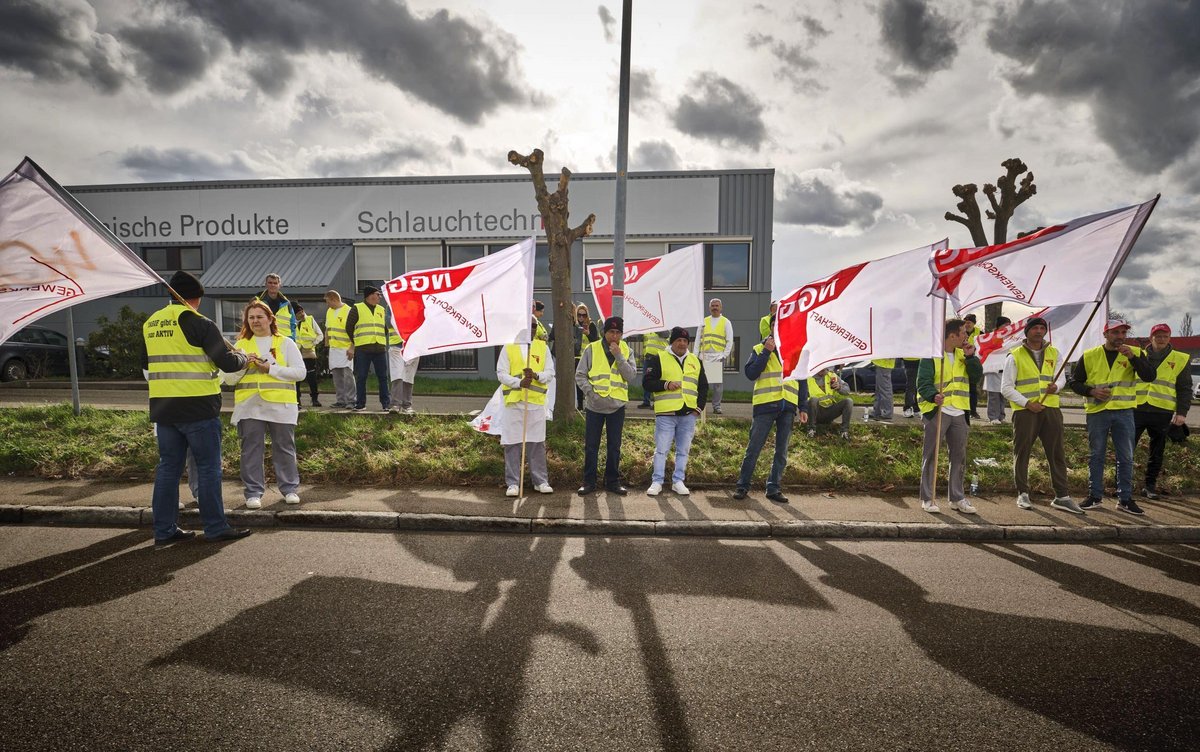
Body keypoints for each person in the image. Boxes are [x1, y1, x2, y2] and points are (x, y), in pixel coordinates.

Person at [141, 270, 251, 545]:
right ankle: (215, 527)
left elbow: (146, 364)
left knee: (168, 468)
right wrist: (243, 358)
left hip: (164, 408)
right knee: (208, 468)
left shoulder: (151, 323)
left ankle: (164, 531)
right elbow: (227, 363)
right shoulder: (201, 323)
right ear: (198, 297)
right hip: (198, 407)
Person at [1068, 319, 1157, 514]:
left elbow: (1150, 376)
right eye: (1116, 332)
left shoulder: (1136, 353)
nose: (1120, 336)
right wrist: (1091, 391)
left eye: (1123, 333)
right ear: (1105, 334)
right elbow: (1074, 382)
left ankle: (1125, 499)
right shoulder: (1090, 355)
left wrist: (1133, 358)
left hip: (1124, 411)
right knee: (1096, 455)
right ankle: (1094, 496)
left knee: (1126, 457)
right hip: (1097, 412)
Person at [224, 301, 306, 508]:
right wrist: (243, 364)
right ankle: (253, 493)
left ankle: (289, 489)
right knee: (251, 450)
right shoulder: (241, 345)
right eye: (251, 317)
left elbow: (300, 373)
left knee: (284, 448)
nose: (255, 321)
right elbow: (229, 380)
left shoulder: (286, 343)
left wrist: (271, 369)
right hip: (250, 406)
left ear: (270, 319)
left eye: (260, 317)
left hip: (281, 406)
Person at [1000, 317, 1081, 513]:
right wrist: (1027, 404)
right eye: (1034, 328)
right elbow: (1006, 388)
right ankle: (1022, 493)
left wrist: (1057, 387)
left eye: (1042, 328)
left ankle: (1062, 496)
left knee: (1056, 452)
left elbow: (1061, 379)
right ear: (1027, 331)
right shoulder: (1014, 355)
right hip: (1025, 411)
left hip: (1050, 408)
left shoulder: (1054, 353)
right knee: (1022, 452)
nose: (1038, 331)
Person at [916, 318, 981, 514]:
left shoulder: (965, 353)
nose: (967, 336)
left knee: (959, 456)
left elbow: (976, 377)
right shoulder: (931, 356)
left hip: (959, 410)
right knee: (931, 455)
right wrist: (933, 395)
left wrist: (971, 357)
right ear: (952, 336)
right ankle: (928, 498)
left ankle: (957, 498)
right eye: (963, 333)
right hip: (938, 410)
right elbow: (923, 382)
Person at [733, 333, 809, 503]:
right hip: (765, 405)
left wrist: (803, 407)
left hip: (788, 406)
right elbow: (751, 373)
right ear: (772, 328)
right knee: (754, 448)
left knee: (782, 451)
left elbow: (802, 380)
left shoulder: (795, 352)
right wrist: (766, 352)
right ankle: (742, 486)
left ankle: (773, 488)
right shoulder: (759, 348)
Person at [575, 316, 637, 495]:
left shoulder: (626, 350)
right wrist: (591, 394)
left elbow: (630, 376)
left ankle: (612, 481)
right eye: (611, 332)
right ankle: (589, 482)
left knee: (614, 446)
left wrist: (619, 356)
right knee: (591, 446)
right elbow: (580, 375)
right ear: (604, 332)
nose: (614, 336)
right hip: (595, 406)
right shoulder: (591, 348)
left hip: (617, 406)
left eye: (618, 332)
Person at [644, 326, 708, 495]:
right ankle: (657, 481)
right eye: (678, 340)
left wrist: (699, 408)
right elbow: (647, 382)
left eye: (685, 340)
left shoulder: (695, 360)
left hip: (688, 415)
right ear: (672, 341)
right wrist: (666, 384)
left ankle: (678, 481)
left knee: (683, 451)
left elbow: (703, 386)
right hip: (666, 414)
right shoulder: (659, 358)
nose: (682, 343)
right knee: (661, 450)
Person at [1134, 323, 1191, 500]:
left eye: (1165, 336)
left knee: (1157, 451)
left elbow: (1184, 388)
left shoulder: (1180, 359)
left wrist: (1181, 412)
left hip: (1162, 411)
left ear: (1169, 338)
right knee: (1126, 448)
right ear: (1151, 338)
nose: (1161, 339)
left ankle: (1149, 485)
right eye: (1158, 336)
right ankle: (1122, 484)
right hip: (1136, 408)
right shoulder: (1138, 355)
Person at [496, 336, 555, 496]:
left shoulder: (542, 347)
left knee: (536, 442)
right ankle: (513, 483)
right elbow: (501, 373)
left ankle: (540, 481)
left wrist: (536, 375)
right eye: (530, 325)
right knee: (512, 442)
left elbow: (550, 373)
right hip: (514, 403)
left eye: (534, 325)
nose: (532, 328)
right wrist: (519, 383)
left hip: (535, 403)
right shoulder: (508, 346)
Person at [346, 285, 390, 412]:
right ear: (370, 295)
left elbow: (385, 328)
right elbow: (349, 327)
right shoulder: (357, 308)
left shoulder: (381, 309)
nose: (380, 297)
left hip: (380, 349)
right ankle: (360, 404)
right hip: (363, 349)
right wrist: (356, 341)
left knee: (383, 377)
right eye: (378, 294)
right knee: (361, 377)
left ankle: (386, 404)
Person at [695, 298, 733, 414]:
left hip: (717, 357)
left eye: (717, 306)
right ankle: (699, 405)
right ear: (709, 307)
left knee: (717, 385)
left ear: (721, 308)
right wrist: (695, 355)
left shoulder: (725, 322)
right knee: (701, 383)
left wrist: (724, 355)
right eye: (713, 306)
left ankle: (716, 406)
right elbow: (697, 339)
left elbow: (729, 340)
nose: (715, 307)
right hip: (704, 357)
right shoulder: (703, 321)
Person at [323, 290, 356, 409]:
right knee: (337, 376)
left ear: (334, 299)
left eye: (328, 302)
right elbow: (327, 329)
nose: (327, 304)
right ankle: (341, 400)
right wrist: (326, 345)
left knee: (347, 375)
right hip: (334, 348)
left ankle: (351, 400)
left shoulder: (348, 311)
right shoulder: (329, 311)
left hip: (345, 348)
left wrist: (352, 347)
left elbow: (355, 331)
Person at [805, 368, 854, 440]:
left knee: (849, 401)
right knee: (813, 399)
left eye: (824, 370)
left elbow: (847, 391)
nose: (822, 373)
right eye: (820, 370)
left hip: (830, 411)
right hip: (816, 412)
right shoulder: (807, 378)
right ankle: (811, 430)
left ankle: (844, 431)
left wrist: (839, 387)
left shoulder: (832, 376)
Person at [292, 303, 323, 408]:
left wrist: (313, 343)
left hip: (309, 354)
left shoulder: (310, 319)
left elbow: (320, 335)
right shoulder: (291, 323)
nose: (302, 314)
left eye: (302, 311)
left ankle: (315, 399)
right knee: (296, 378)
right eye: (299, 312)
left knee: (311, 377)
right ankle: (297, 400)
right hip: (296, 353)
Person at [983, 316, 1012, 424]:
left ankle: (1001, 416)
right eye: (1005, 324)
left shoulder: (1010, 338)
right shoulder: (991, 337)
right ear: (999, 326)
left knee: (1002, 394)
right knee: (994, 395)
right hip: (993, 369)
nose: (1008, 327)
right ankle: (993, 417)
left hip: (1004, 369)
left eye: (1009, 324)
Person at [387, 329, 419, 415]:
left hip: (412, 346)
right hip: (397, 345)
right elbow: (389, 323)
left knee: (408, 376)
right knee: (397, 374)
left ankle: (406, 405)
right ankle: (395, 404)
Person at [254, 272, 295, 339]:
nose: (272, 285)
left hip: (284, 340)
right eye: (270, 283)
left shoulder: (287, 303)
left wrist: (292, 340)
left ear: (279, 285)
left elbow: (293, 324)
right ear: (266, 284)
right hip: (263, 338)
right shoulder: (256, 302)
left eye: (275, 283)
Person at [637, 329, 668, 409]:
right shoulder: (648, 330)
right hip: (648, 358)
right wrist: (641, 331)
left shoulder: (664, 328)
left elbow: (664, 334)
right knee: (646, 379)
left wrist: (655, 327)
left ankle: (657, 402)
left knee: (657, 380)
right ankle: (646, 401)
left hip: (660, 358)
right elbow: (639, 338)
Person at [864, 358, 895, 423]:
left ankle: (886, 413)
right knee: (879, 391)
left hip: (884, 364)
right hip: (882, 364)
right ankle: (877, 412)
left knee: (885, 391)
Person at [962, 313, 981, 420]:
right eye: (965, 322)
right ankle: (964, 410)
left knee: (973, 389)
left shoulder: (980, 333)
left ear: (974, 323)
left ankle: (973, 411)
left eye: (969, 322)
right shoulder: (960, 332)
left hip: (973, 363)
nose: (967, 324)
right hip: (961, 362)